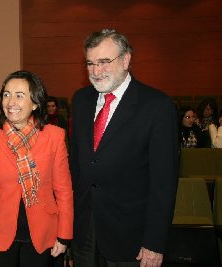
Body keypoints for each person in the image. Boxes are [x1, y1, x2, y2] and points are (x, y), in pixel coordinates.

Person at [69, 29, 178, 267]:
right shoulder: (80, 100)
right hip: (85, 230)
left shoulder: (157, 106)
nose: (96, 71)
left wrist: (154, 242)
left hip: (132, 237)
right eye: (90, 63)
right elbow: (75, 168)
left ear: (126, 59)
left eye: (104, 62)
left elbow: (164, 183)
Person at [0, 70, 73, 267]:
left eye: (19, 96)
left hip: (42, 233)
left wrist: (64, 235)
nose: (10, 102)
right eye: (6, 94)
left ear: (35, 103)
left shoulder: (54, 136)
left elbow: (64, 191)